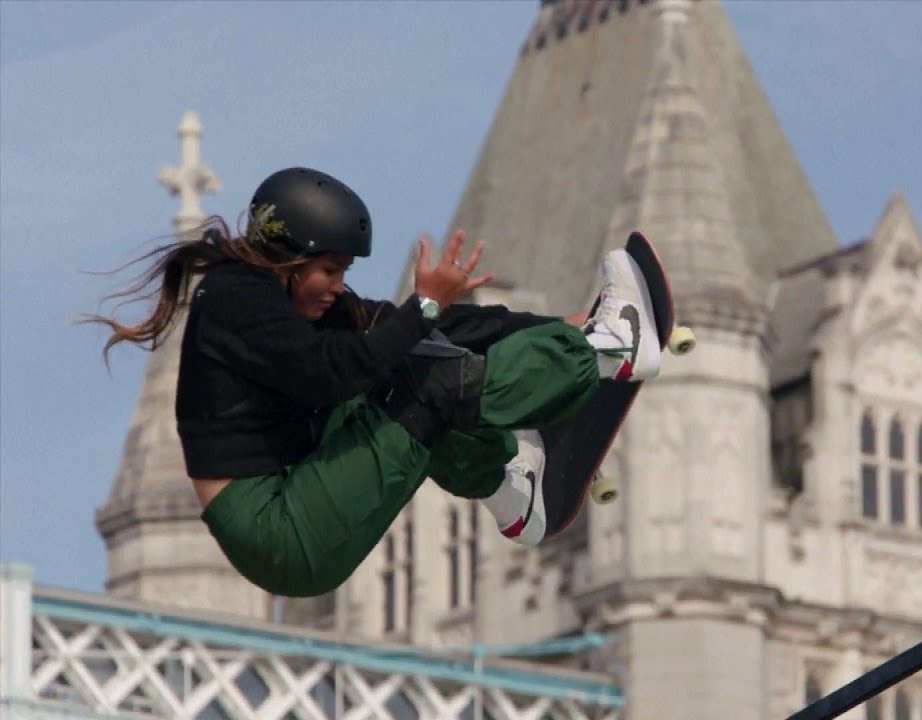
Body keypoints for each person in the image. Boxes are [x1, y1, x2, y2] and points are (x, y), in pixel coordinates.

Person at [84, 166, 662, 598]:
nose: (337, 286)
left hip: (296, 492)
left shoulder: (308, 306)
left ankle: (513, 487)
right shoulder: (236, 302)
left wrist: (557, 323)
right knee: (422, 387)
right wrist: (426, 307)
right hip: (276, 530)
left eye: (345, 273)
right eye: (329, 271)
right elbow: (325, 377)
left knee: (417, 358)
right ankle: (609, 349)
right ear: (287, 260)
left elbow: (425, 330)